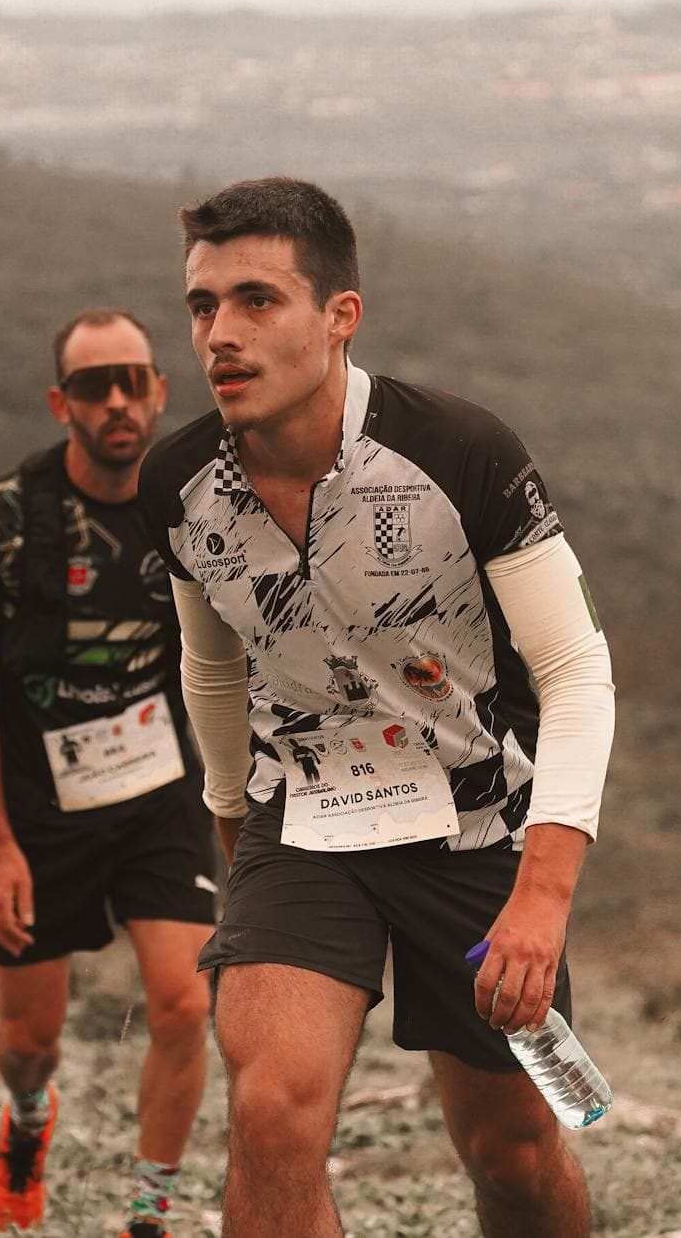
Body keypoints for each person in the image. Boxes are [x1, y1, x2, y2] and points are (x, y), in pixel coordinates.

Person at [137, 178, 617, 1238]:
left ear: (338, 317)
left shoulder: (461, 451)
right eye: (202, 304)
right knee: (268, 1117)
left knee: (513, 1152)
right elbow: (209, 661)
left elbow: (576, 669)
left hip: (477, 824)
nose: (220, 332)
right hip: (300, 819)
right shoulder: (177, 484)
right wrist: (232, 824)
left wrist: (542, 894)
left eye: (257, 300)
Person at [0, 308, 216, 1238]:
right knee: (31, 1039)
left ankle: (147, 1211)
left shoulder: (194, 505)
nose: (117, 402)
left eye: (132, 379)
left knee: (184, 1000)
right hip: (39, 806)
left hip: (157, 791)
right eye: (94, 386)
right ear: (62, 403)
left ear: (160, 390)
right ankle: (25, 1122)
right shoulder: (2, 520)